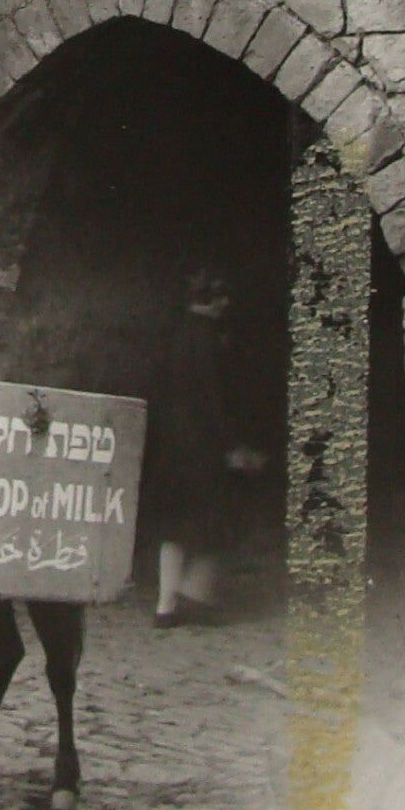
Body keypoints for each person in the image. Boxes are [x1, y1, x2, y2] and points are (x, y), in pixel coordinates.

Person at [145, 266, 256, 627]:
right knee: (216, 520)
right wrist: (232, 445)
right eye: (223, 297)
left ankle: (165, 606)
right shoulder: (210, 338)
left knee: (174, 525)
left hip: (170, 443)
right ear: (213, 300)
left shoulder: (172, 333)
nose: (227, 304)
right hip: (202, 446)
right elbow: (215, 398)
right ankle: (196, 593)